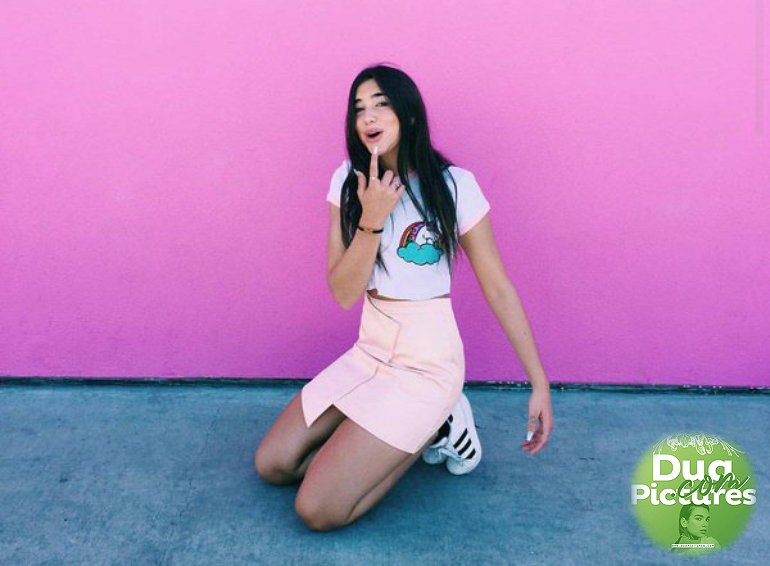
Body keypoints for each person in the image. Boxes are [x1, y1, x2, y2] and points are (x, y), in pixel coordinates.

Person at [254, 64, 553, 531]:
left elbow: (497, 286)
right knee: (273, 464)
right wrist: (371, 218)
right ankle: (425, 427)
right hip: (370, 350)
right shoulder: (347, 181)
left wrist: (539, 382)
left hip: (426, 365)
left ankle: (437, 420)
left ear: (409, 114)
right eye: (359, 109)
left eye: (381, 104)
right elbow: (343, 293)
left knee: (318, 509)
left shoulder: (454, 186)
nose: (368, 117)